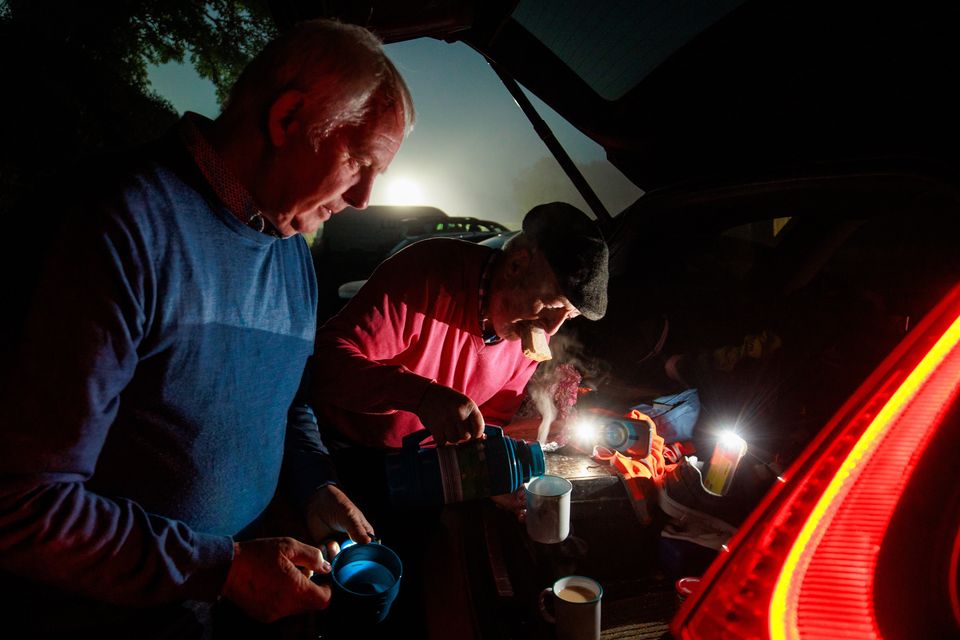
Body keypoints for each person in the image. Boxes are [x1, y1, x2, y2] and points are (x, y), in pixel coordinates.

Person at [0, 18, 413, 638]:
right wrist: (222, 570)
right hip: (99, 612)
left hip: (215, 594)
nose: (364, 198)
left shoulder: (292, 248)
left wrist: (314, 484)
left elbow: (288, 398)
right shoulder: (120, 227)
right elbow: (24, 507)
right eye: (360, 160)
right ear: (287, 119)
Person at [307, 201, 609, 508]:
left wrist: (490, 474)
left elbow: (491, 418)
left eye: (567, 317)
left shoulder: (528, 333)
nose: (552, 328)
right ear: (517, 263)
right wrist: (420, 395)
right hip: (339, 453)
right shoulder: (428, 274)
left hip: (423, 468)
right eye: (550, 304)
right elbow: (323, 364)